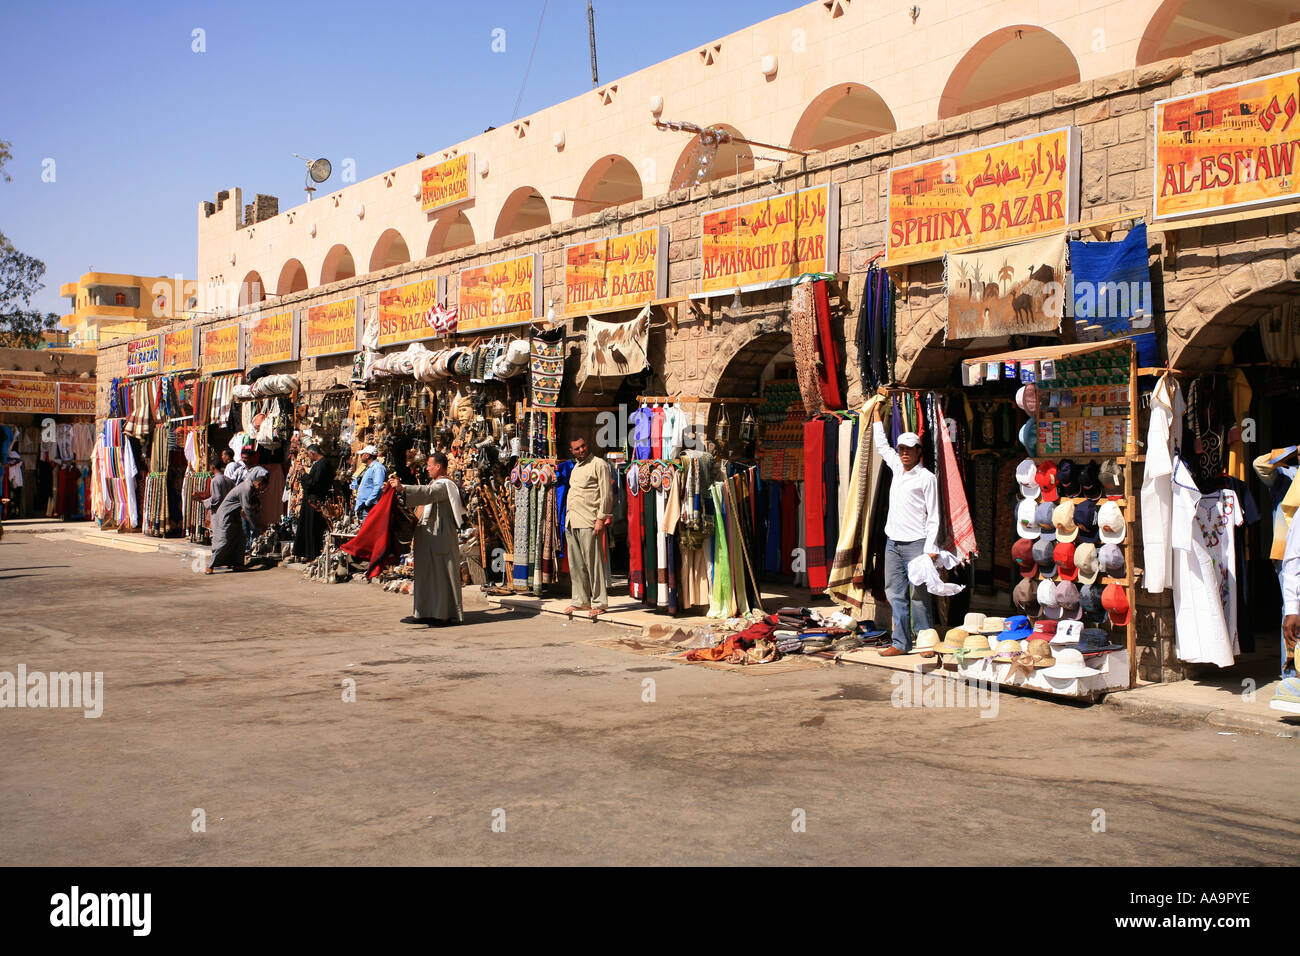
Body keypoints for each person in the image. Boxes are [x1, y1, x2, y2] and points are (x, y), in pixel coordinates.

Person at [871, 402, 941, 656]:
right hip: (893, 543)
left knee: (919, 595)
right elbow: (881, 445)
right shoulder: (897, 469)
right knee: (895, 594)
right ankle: (900, 643)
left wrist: (931, 548)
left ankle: (925, 642)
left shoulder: (927, 478)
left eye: (909, 449)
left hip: (916, 543)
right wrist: (877, 415)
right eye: (901, 448)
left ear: (918, 451)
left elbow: (934, 515)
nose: (903, 453)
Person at [387, 451, 464, 625]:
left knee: (440, 574)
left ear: (438, 466)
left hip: (440, 536)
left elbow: (428, 493)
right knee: (426, 575)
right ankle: (426, 612)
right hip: (428, 536)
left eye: (429, 466)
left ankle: (443, 614)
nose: (427, 469)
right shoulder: (435, 483)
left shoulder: (445, 485)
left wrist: (403, 488)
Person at [563, 435, 613, 619]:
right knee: (576, 564)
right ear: (572, 451)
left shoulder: (599, 464)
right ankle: (580, 600)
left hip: (589, 521)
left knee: (594, 563)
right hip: (572, 520)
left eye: (583, 446)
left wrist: (601, 518)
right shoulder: (576, 467)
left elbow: (606, 494)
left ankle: (599, 602)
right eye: (577, 448)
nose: (581, 450)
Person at [208, 466, 268, 573]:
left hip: (235, 515)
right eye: (263, 488)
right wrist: (258, 525)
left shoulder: (251, 489)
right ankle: (211, 565)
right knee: (224, 540)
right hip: (226, 515)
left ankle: (237, 564)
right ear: (259, 484)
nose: (263, 491)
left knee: (240, 539)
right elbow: (247, 509)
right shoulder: (246, 488)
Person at [293, 444, 332, 562]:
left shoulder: (322, 464)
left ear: (312, 453)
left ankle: (312, 554)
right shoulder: (321, 464)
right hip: (311, 499)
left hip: (314, 500)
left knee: (312, 527)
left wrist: (304, 474)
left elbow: (314, 483)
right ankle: (307, 553)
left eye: (309, 455)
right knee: (308, 526)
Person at [351, 445, 387, 520]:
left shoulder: (377, 468)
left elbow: (379, 487)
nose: (361, 456)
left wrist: (367, 503)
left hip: (370, 507)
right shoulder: (369, 468)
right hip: (364, 507)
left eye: (362, 454)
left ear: (367, 455)